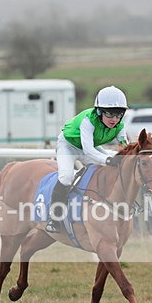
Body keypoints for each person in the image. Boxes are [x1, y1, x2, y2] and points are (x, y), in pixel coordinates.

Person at [45, 85, 129, 233]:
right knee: (66, 177)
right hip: (68, 146)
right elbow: (88, 150)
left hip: (88, 147)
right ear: (99, 111)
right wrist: (108, 160)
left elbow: (125, 148)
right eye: (110, 114)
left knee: (109, 170)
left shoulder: (120, 126)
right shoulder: (88, 120)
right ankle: (55, 217)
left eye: (119, 114)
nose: (114, 119)